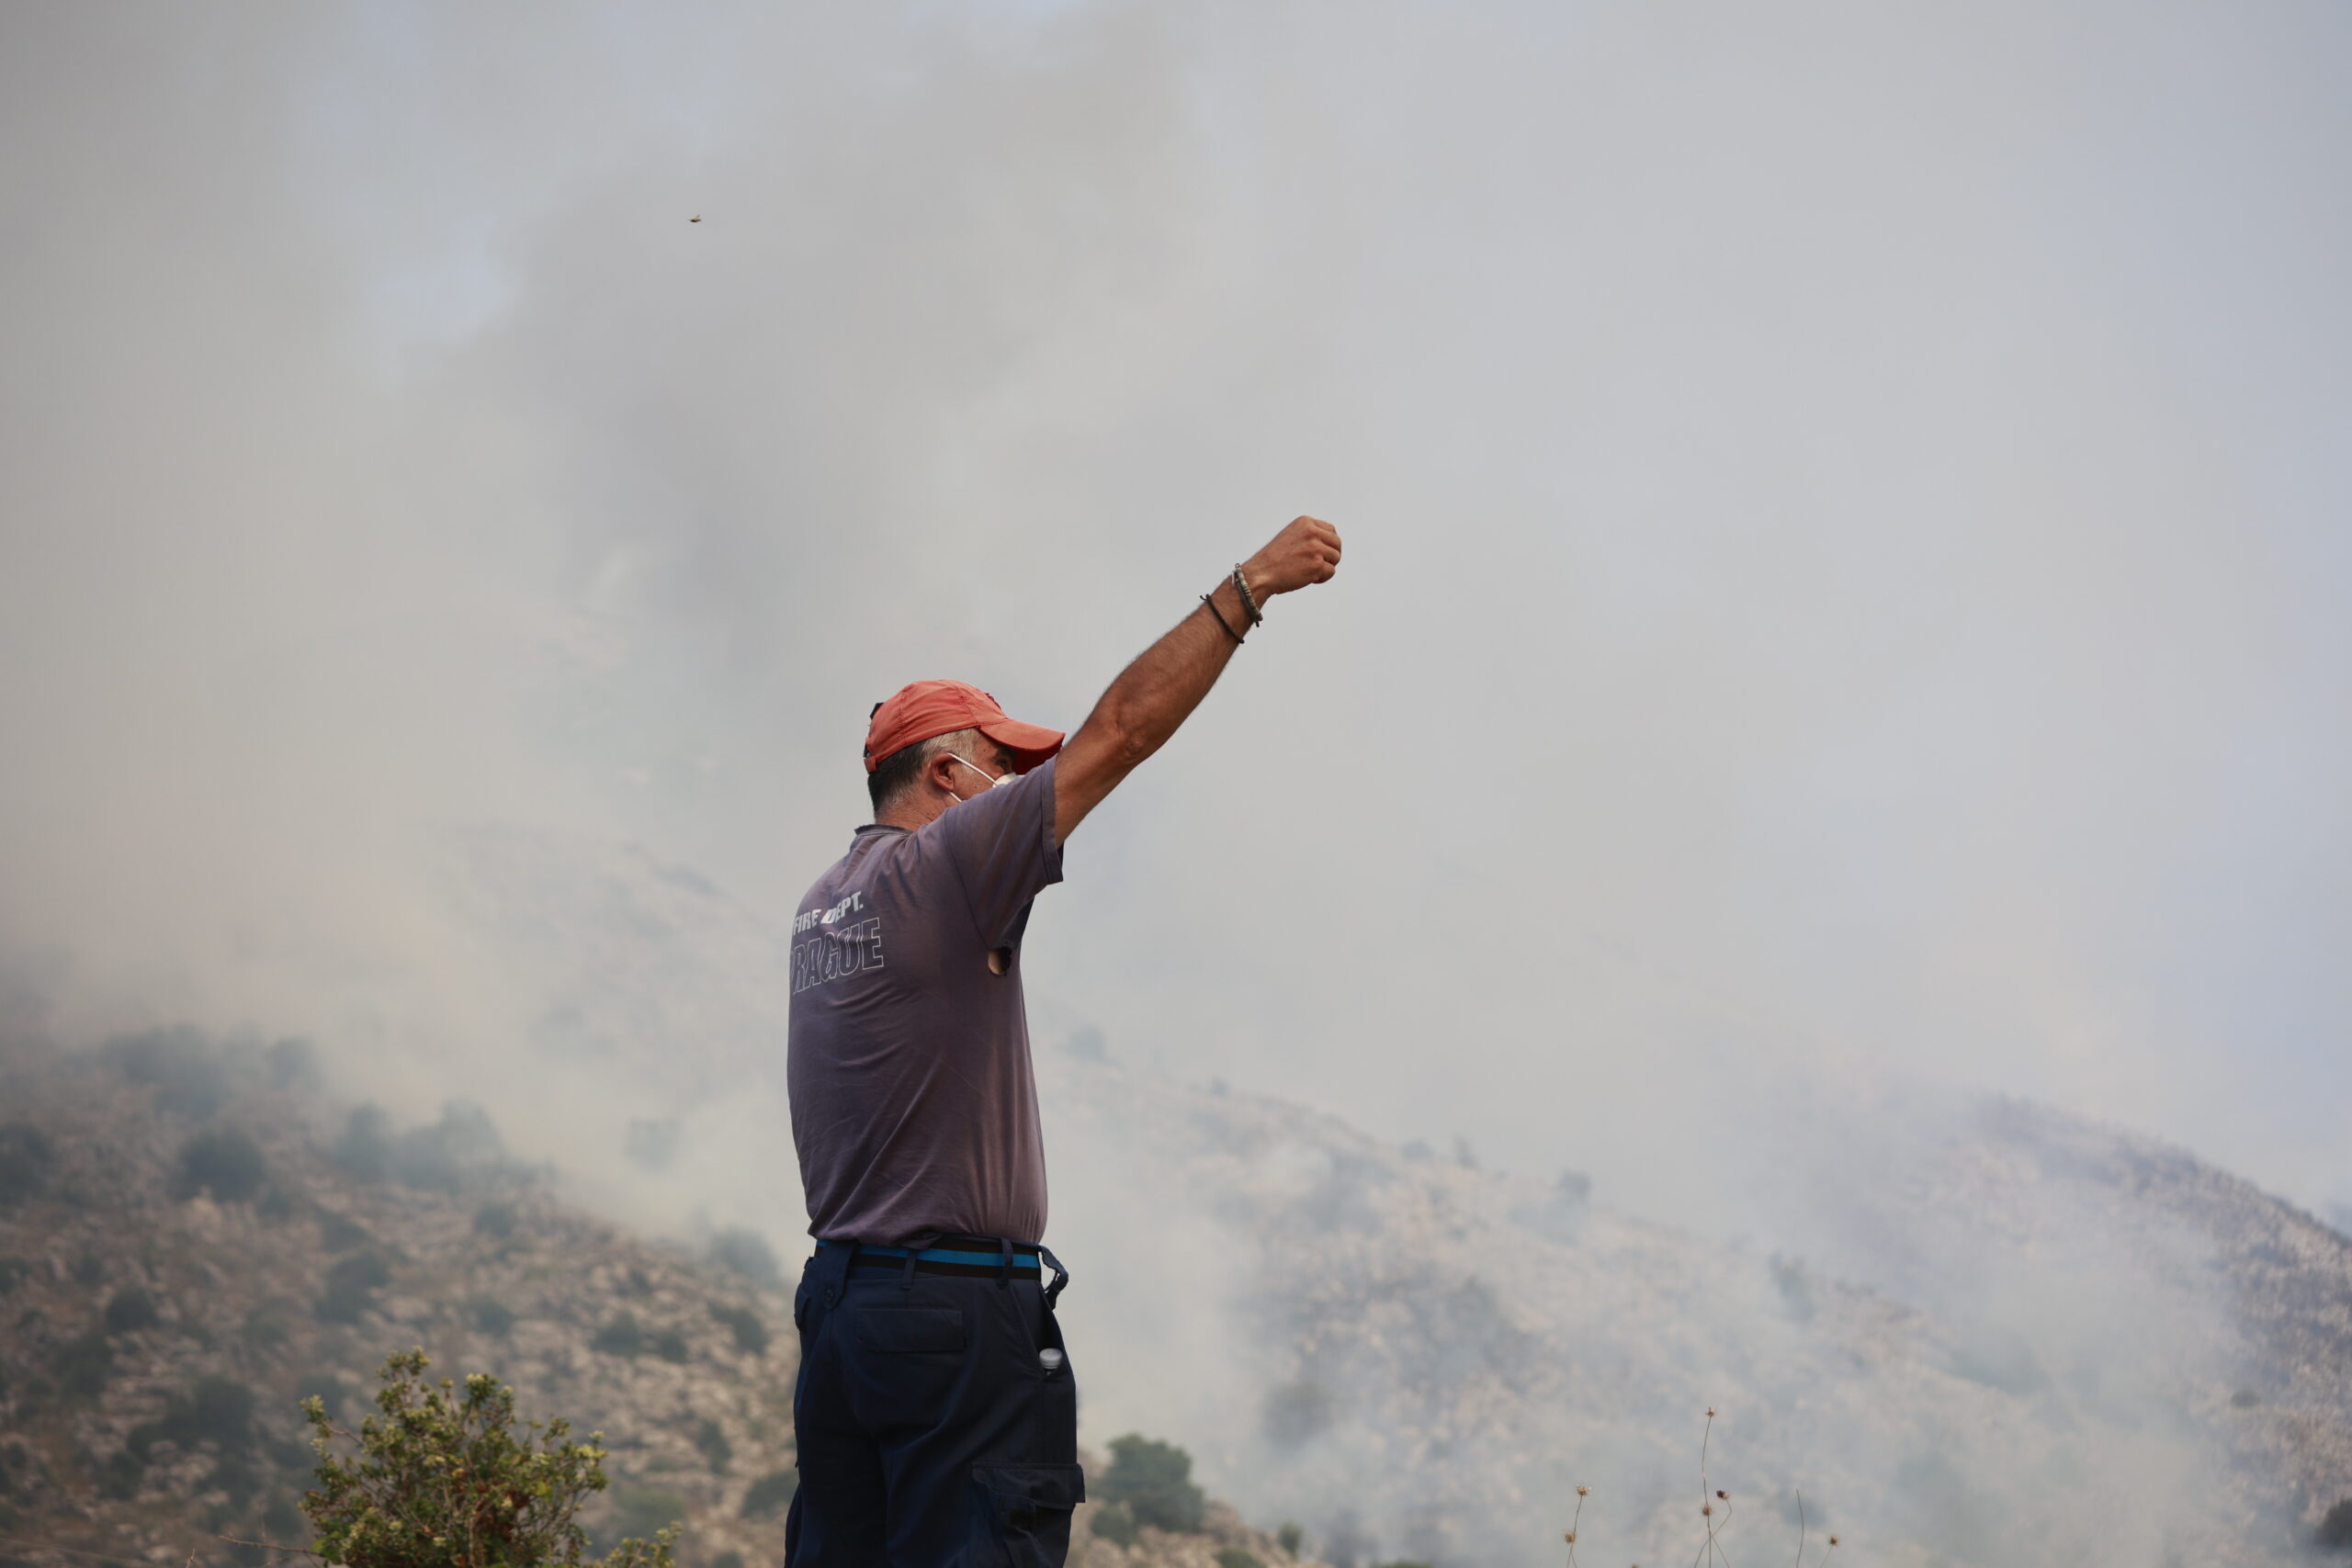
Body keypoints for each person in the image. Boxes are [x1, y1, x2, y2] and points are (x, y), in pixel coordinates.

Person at [784, 514, 1343, 1565]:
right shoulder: (948, 860)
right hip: (953, 1317)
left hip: (844, 1311)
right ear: (947, 775)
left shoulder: (824, 903)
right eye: (1004, 763)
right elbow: (1121, 731)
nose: (1022, 786)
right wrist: (1251, 585)